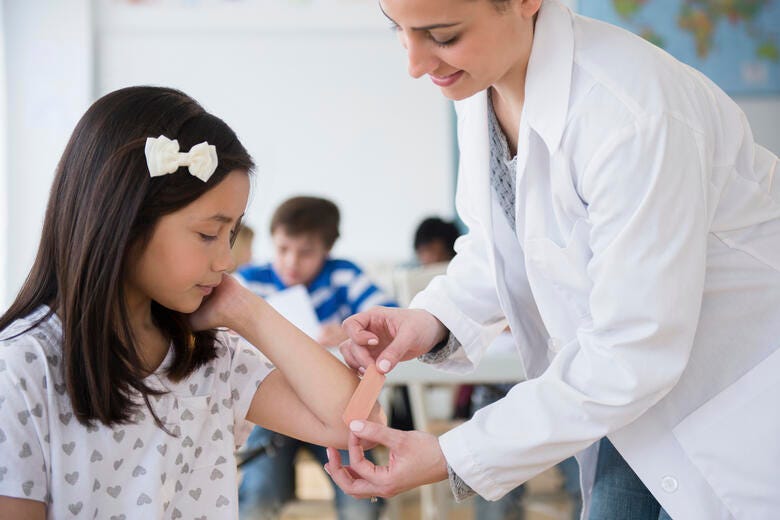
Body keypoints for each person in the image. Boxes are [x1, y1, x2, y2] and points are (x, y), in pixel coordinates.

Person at [326, 1, 780, 519]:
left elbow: (633, 348)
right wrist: (429, 319)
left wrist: (456, 454)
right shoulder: (480, 85)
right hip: (625, 409)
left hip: (728, 406)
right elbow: (508, 240)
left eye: (443, 35)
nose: (415, 64)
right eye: (399, 31)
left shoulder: (631, 114)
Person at [0, 86, 382, 519]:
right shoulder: (21, 370)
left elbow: (363, 426)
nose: (226, 260)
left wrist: (247, 310)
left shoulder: (208, 354)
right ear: (123, 218)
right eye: (207, 234)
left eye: (232, 235)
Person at [236, 196, 394, 519]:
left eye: (305, 252)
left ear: (327, 249)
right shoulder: (250, 282)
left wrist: (351, 331)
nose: (291, 261)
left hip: (339, 414)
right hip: (272, 415)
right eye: (282, 249)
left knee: (360, 502)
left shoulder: (343, 277)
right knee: (257, 497)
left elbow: (392, 317)